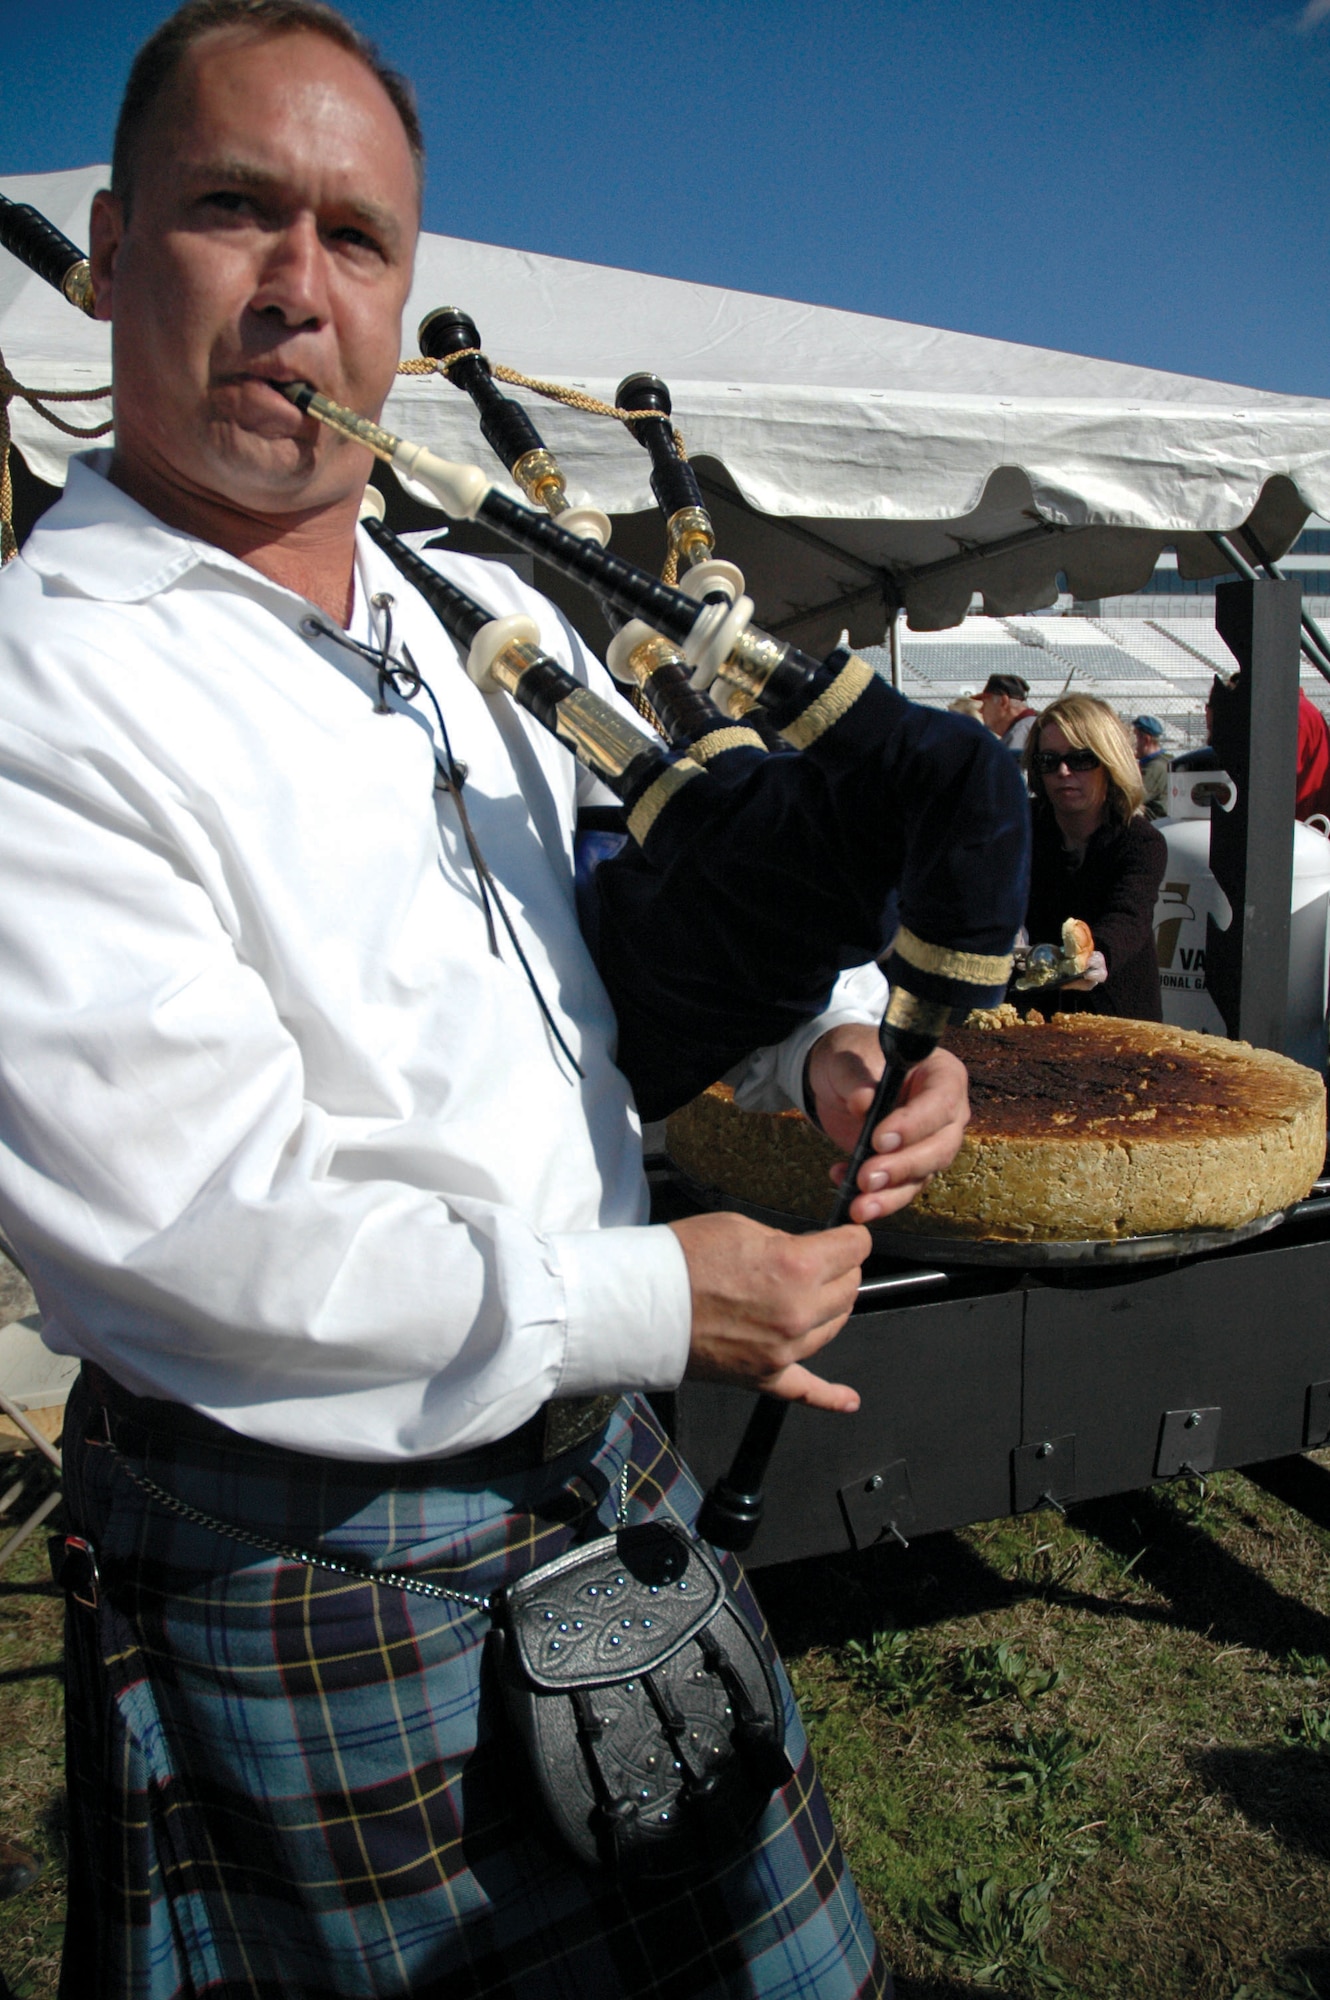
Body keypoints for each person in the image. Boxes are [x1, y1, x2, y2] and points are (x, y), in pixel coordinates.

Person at [0, 5, 977, 1995]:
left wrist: (827, 1041)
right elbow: (198, 1233)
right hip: (311, 1544)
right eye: (229, 213)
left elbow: (622, 933)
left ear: (403, 295)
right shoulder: (48, 685)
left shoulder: (463, 612)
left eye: (354, 241)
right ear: (108, 253)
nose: (296, 292)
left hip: (590, 1474)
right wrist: (652, 1297)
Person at [1022, 694, 1168, 1020]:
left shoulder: (1142, 841)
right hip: (1031, 1016)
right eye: (1048, 760)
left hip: (1116, 1018)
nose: (1063, 771)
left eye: (1080, 759)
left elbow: (1129, 916)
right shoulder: (1020, 828)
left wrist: (1098, 955)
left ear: (1109, 761)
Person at [977, 672, 1038, 754]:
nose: (980, 710)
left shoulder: (1019, 733)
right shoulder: (1032, 724)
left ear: (1003, 702)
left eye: (985, 704)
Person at [1131, 713, 1171, 819]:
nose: (1131, 743)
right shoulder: (1165, 759)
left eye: (1134, 736)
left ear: (1146, 739)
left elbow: (1131, 798)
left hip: (1155, 822)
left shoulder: (1155, 767)